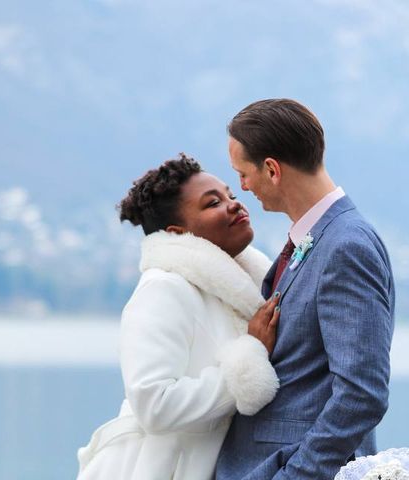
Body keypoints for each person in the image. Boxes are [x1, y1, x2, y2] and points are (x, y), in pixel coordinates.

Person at [216, 99, 396, 480]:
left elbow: (362, 394)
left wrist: (295, 476)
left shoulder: (347, 246)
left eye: (243, 174)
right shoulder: (320, 237)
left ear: (272, 169)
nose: (242, 187)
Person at [76, 154, 281, 480]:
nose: (234, 205)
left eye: (232, 195)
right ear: (178, 231)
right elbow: (152, 404)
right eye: (213, 203)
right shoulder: (162, 289)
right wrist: (250, 359)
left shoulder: (238, 289)